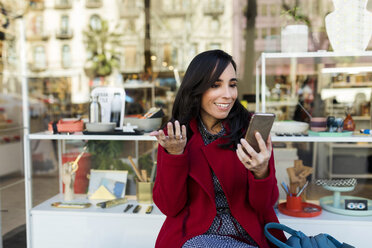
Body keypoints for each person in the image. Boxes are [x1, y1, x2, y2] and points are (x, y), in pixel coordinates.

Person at [150, 50, 286, 248]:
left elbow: (264, 205)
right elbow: (170, 207)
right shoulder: (177, 135)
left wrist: (261, 171)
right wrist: (175, 155)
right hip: (195, 235)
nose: (228, 95)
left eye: (232, 85)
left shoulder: (249, 129)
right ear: (196, 88)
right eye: (215, 85)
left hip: (248, 234)